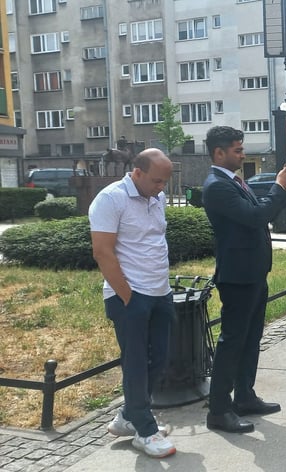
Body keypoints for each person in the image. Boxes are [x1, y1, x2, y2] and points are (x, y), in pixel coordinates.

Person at [202, 126, 286, 434]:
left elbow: (257, 211)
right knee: (232, 342)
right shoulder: (217, 185)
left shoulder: (235, 182)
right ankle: (218, 410)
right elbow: (257, 216)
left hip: (253, 273)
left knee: (250, 339)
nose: (243, 155)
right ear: (219, 153)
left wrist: (279, 192)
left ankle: (244, 395)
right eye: (237, 150)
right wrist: (280, 188)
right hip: (237, 277)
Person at [89, 148, 176, 458]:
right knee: (136, 363)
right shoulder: (110, 199)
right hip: (130, 296)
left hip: (160, 292)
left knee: (160, 358)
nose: (161, 188)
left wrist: (162, 289)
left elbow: (153, 240)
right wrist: (128, 296)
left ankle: (129, 416)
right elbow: (102, 251)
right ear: (137, 172)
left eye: (165, 182)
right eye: (156, 181)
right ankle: (145, 429)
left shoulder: (157, 197)